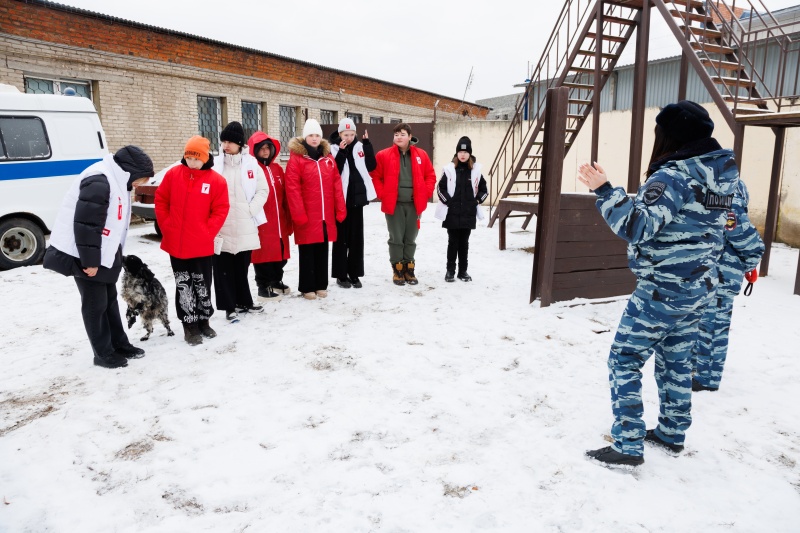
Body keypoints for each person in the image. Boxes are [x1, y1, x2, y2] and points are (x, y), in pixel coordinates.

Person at [577, 101, 739, 467]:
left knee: (624, 358)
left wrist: (605, 190)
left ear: (672, 134)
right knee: (676, 362)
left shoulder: (674, 176)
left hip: (662, 290)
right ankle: (672, 431)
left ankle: (628, 444)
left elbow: (637, 226)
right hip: (700, 287)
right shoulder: (722, 175)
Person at [43, 146, 155, 368]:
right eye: (140, 179)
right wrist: (90, 262)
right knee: (96, 305)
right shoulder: (99, 180)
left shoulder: (116, 179)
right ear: (130, 171)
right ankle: (102, 353)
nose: (140, 184)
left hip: (103, 251)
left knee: (109, 302)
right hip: (86, 255)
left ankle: (119, 343)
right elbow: (86, 226)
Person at [155, 136, 230, 345]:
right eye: (188, 157)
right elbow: (161, 200)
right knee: (184, 286)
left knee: (202, 284)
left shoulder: (216, 181)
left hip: (201, 244)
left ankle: (204, 320)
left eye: (196, 159)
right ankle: (189, 326)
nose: (192, 162)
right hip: (176, 244)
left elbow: (221, 209)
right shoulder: (173, 175)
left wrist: (208, 231)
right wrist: (166, 226)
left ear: (205, 158)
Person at [692, 180, 764, 391]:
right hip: (704, 273)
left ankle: (708, 379)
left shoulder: (727, 187)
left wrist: (747, 262)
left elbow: (743, 235)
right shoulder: (706, 183)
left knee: (714, 327)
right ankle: (700, 368)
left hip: (721, 275)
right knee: (702, 324)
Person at [211, 121, 269, 321]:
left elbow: (263, 190)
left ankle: (245, 300)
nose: (226, 145)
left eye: (230, 141)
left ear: (239, 143)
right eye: (224, 141)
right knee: (224, 267)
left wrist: (250, 210)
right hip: (222, 224)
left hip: (245, 223)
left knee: (242, 265)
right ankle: (229, 306)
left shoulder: (252, 164)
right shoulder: (216, 165)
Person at [284, 118, 346, 299]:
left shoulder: (328, 159)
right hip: (307, 214)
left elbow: (336, 184)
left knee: (322, 250)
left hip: (325, 214)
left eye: (317, 135)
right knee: (307, 252)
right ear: (305, 137)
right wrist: (298, 214)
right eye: (310, 135)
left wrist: (340, 209)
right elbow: (292, 189)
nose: (314, 138)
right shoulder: (297, 160)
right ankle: (307, 286)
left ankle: (321, 284)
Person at [370, 123, 436, 285]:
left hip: (414, 204)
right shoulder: (383, 155)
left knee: (410, 238)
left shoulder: (421, 155)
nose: (399, 137)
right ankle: (398, 269)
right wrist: (383, 195)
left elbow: (430, 175)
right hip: (394, 205)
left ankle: (409, 268)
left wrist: (425, 193)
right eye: (396, 135)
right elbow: (375, 176)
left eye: (402, 134)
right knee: (396, 238)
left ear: (409, 136)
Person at [329, 118, 377, 289]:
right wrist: (341, 152)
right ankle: (341, 275)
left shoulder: (360, 147)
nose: (348, 137)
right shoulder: (333, 149)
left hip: (358, 200)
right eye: (345, 134)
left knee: (356, 240)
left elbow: (371, 166)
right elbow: (334, 171)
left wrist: (368, 144)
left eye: (351, 134)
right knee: (341, 239)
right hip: (341, 201)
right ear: (339, 134)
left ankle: (354, 273)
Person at [434, 136, 488, 282]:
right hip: (452, 213)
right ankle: (450, 271)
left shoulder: (476, 171)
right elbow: (441, 188)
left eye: (465, 152)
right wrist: (449, 202)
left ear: (469, 153)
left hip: (468, 214)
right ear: (456, 153)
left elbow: (484, 190)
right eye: (460, 152)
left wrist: (476, 201)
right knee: (452, 242)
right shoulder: (449, 169)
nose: (462, 154)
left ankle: (463, 271)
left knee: (464, 243)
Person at [247, 131, 293, 301]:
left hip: (279, 219)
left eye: (268, 148)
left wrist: (288, 219)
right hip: (262, 221)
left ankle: (275, 280)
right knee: (263, 255)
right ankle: (263, 286)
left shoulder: (277, 168)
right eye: (262, 148)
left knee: (280, 254)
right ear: (254, 150)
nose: (266, 152)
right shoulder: (251, 169)